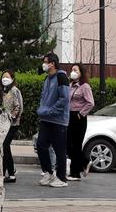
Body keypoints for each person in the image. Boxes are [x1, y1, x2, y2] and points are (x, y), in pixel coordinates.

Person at [35, 52, 70, 188]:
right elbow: (43, 97)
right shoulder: (47, 78)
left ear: (52, 63)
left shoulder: (61, 77)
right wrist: (42, 109)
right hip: (46, 119)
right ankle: (48, 172)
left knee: (59, 149)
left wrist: (50, 111)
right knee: (41, 145)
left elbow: (64, 99)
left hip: (58, 120)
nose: (43, 64)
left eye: (45, 62)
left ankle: (61, 178)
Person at [66, 64, 95, 180]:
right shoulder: (70, 85)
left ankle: (75, 173)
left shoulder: (85, 87)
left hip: (79, 117)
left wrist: (80, 114)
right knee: (69, 144)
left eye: (75, 70)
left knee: (76, 145)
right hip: (70, 116)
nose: (73, 72)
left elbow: (90, 103)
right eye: (72, 70)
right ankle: (85, 162)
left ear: (81, 73)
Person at [0, 70, 22, 184]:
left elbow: (19, 106)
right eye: (3, 77)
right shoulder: (2, 91)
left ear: (12, 79)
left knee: (4, 145)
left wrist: (13, 117)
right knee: (5, 147)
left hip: (12, 123)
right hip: (2, 123)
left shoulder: (14, 90)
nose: (5, 79)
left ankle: (5, 172)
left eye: (7, 77)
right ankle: (11, 174)